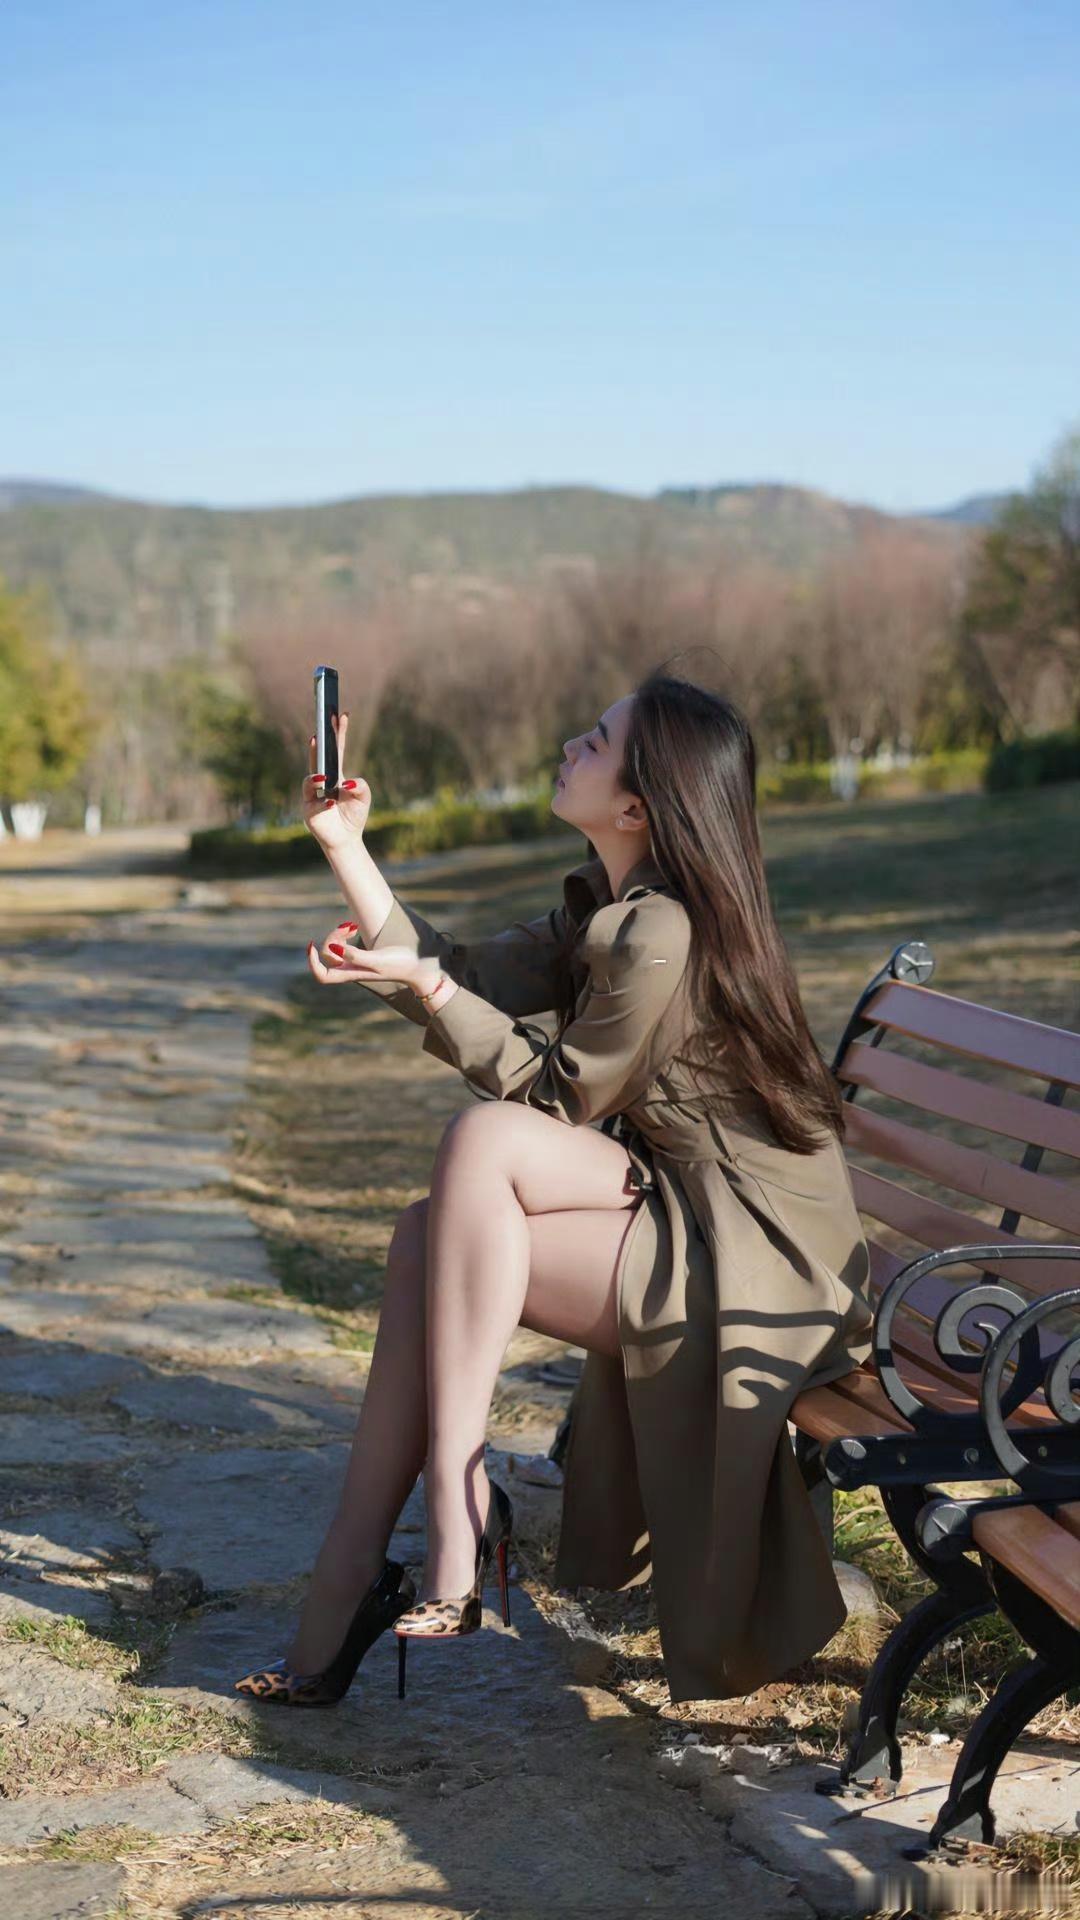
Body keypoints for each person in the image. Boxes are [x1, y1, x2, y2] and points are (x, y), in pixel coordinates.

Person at [234, 666, 873, 1709]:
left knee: (485, 1141)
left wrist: (431, 987)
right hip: (679, 1196)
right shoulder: (608, 905)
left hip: (758, 1252)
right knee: (425, 1236)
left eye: (596, 741)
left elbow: (557, 1098)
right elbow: (466, 973)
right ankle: (352, 1586)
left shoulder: (663, 930)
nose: (572, 745)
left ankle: (456, 1510)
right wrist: (345, 847)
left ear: (637, 807)